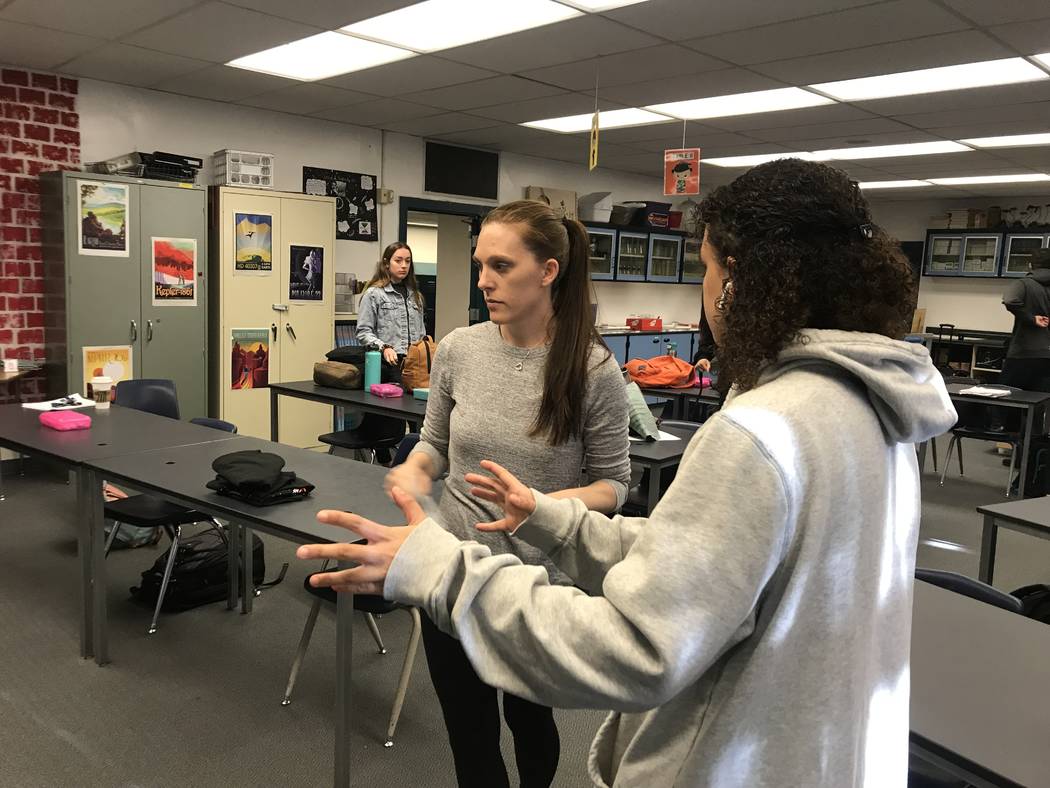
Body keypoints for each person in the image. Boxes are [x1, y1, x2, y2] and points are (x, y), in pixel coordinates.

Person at [297, 161, 957, 786]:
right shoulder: (876, 411)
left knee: (527, 723)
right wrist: (551, 516)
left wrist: (440, 568)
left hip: (745, 757)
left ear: (737, 283)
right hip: (822, 754)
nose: (487, 280)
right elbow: (701, 561)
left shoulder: (759, 431)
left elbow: (639, 646)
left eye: (705, 269)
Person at [381, 200, 629, 787]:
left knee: (530, 723)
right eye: (479, 265)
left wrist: (540, 506)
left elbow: (614, 485)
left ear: (547, 272)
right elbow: (433, 441)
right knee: (469, 737)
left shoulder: (592, 370)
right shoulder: (460, 349)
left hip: (533, 585)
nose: (484, 281)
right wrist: (416, 471)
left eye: (501, 266)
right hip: (453, 569)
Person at [356, 242, 426, 371]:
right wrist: (384, 347)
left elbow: (421, 334)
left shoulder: (416, 296)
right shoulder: (374, 294)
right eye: (398, 261)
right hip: (387, 363)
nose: (404, 265)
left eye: (407, 261)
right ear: (387, 263)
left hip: (414, 364)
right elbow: (363, 332)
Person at [1000, 247, 1050, 391]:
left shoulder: (1023, 283)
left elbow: (1009, 300)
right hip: (1047, 355)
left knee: (1008, 398)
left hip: (1023, 353)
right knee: (1039, 401)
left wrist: (1031, 318)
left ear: (1030, 265)